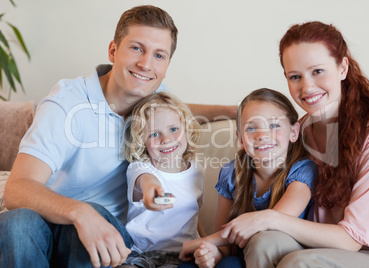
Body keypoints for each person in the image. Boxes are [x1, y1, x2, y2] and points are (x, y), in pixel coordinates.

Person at [0, 5, 236, 268]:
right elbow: (17, 188)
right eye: (136, 48)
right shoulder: (67, 104)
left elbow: (180, 113)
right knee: (16, 223)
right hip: (55, 223)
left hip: (108, 241)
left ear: (167, 65)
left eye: (159, 55)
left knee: (99, 217)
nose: (146, 64)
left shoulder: (151, 102)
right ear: (113, 50)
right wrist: (81, 213)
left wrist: (237, 111)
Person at [238, 21, 369, 267]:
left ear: (342, 67)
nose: (307, 87)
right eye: (295, 77)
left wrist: (270, 218)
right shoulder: (299, 129)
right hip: (317, 242)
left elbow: (352, 240)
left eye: (317, 71)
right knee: (264, 243)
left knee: (299, 262)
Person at [178, 88, 317, 268]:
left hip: (275, 254)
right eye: (251, 128)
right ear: (240, 139)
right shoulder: (231, 173)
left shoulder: (303, 171)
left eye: (274, 125)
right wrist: (212, 251)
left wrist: (206, 241)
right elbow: (226, 245)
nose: (262, 135)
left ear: (293, 132)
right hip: (238, 256)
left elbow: (274, 220)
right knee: (191, 265)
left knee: (231, 265)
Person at [120, 92, 205, 267]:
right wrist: (153, 190)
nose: (166, 139)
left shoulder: (197, 171)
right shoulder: (140, 168)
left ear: (187, 130)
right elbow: (147, 181)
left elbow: (195, 215)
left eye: (174, 129)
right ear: (141, 140)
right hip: (140, 254)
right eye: (154, 134)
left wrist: (205, 242)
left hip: (182, 256)